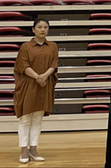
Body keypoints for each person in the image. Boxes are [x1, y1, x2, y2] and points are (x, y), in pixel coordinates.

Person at [13, 18, 58, 164]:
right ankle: (23, 150)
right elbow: (23, 65)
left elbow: (54, 64)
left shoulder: (53, 46)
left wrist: (44, 76)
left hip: (44, 84)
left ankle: (33, 149)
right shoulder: (25, 47)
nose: (42, 29)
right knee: (25, 118)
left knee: (38, 118)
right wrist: (38, 77)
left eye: (45, 27)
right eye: (39, 27)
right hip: (28, 85)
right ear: (33, 29)